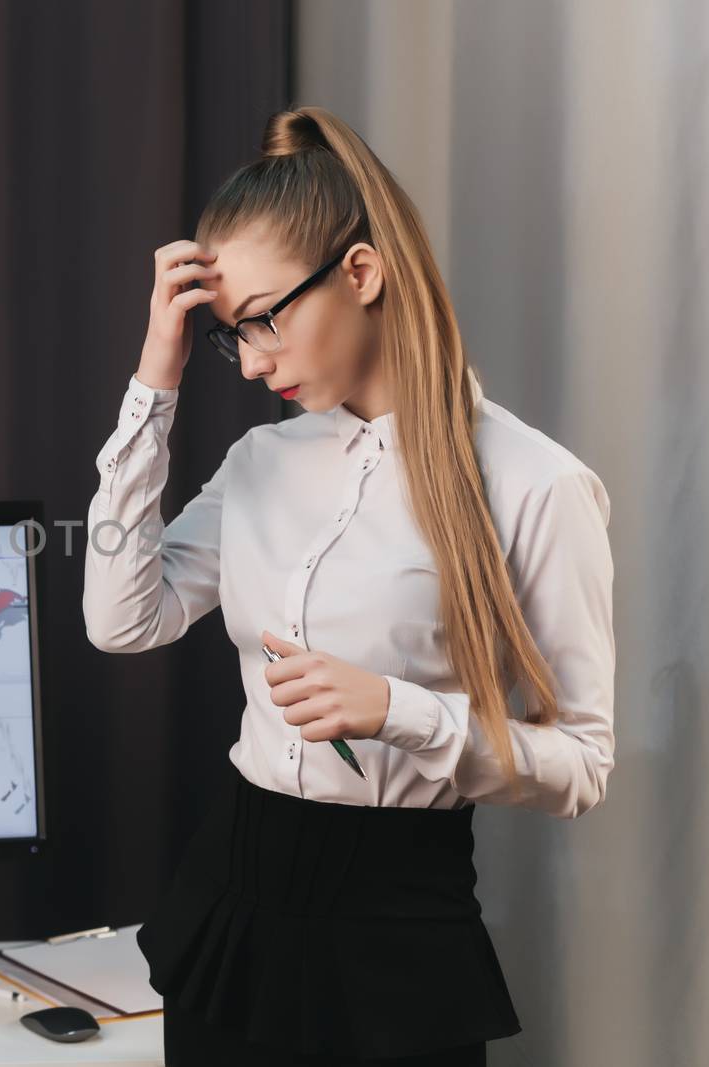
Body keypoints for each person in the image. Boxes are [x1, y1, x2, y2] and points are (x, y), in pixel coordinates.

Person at [82, 105, 616, 1065]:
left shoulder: (538, 484)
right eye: (227, 336)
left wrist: (399, 709)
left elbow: (581, 764)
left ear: (361, 273)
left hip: (397, 933)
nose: (250, 362)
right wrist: (154, 379)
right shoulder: (260, 463)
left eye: (264, 321)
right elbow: (123, 621)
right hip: (229, 909)